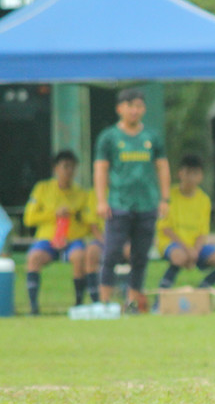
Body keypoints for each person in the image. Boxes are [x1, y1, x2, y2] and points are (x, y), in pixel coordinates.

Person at [93, 88, 170, 313]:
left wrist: (164, 198)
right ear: (120, 109)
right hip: (118, 204)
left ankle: (132, 304)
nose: (135, 110)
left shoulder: (152, 137)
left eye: (138, 106)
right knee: (112, 253)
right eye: (130, 106)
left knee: (140, 256)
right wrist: (101, 200)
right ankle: (104, 304)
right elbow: (100, 169)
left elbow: (162, 167)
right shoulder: (109, 137)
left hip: (147, 204)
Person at [23, 150, 91, 314]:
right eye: (65, 167)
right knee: (33, 258)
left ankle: (78, 304)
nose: (69, 172)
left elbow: (88, 223)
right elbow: (29, 218)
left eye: (73, 168)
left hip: (72, 240)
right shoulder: (42, 189)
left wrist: (75, 220)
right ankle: (33, 308)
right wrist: (54, 214)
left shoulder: (82, 194)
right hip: (48, 239)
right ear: (56, 169)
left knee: (79, 256)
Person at [155, 155, 215, 294]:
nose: (191, 178)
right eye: (188, 173)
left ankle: (200, 292)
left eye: (195, 174)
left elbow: (203, 232)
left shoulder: (204, 200)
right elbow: (165, 228)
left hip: (195, 247)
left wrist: (195, 251)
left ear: (201, 176)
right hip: (171, 243)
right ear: (180, 174)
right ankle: (161, 298)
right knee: (179, 257)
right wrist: (188, 250)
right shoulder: (168, 197)